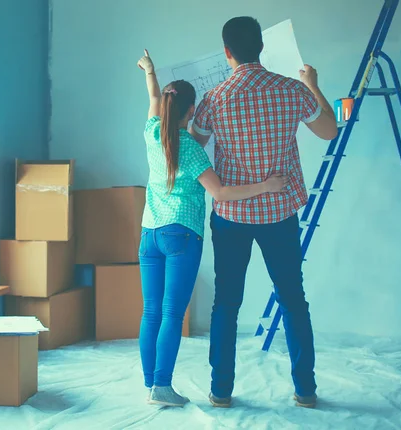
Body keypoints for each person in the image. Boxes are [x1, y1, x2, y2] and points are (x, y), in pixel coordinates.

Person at [189, 17, 338, 409]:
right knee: (293, 299)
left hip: (231, 216)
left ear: (227, 52)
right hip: (279, 213)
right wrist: (313, 85)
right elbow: (329, 131)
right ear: (262, 47)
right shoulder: (291, 90)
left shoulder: (215, 98)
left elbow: (193, 146)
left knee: (226, 303)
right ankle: (305, 390)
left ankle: (221, 391)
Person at [136, 50, 290, 407]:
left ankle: (150, 383)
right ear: (192, 112)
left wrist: (150, 71)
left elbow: (153, 97)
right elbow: (220, 192)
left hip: (149, 234)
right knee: (173, 313)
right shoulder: (189, 147)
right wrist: (266, 186)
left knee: (151, 311)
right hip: (182, 234)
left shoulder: (152, 131)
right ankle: (161, 387)